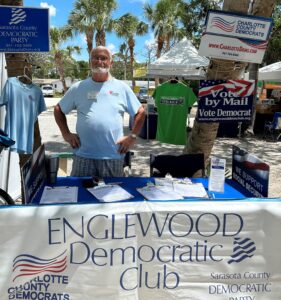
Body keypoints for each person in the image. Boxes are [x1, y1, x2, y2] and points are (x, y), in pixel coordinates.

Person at [54, 46, 145, 177]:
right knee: (81, 195)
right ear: (90, 62)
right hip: (83, 156)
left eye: (104, 58)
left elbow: (140, 112)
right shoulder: (78, 87)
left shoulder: (121, 87)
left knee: (112, 194)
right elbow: (58, 109)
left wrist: (133, 137)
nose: (99, 61)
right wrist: (66, 133)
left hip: (113, 156)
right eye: (95, 58)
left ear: (111, 63)